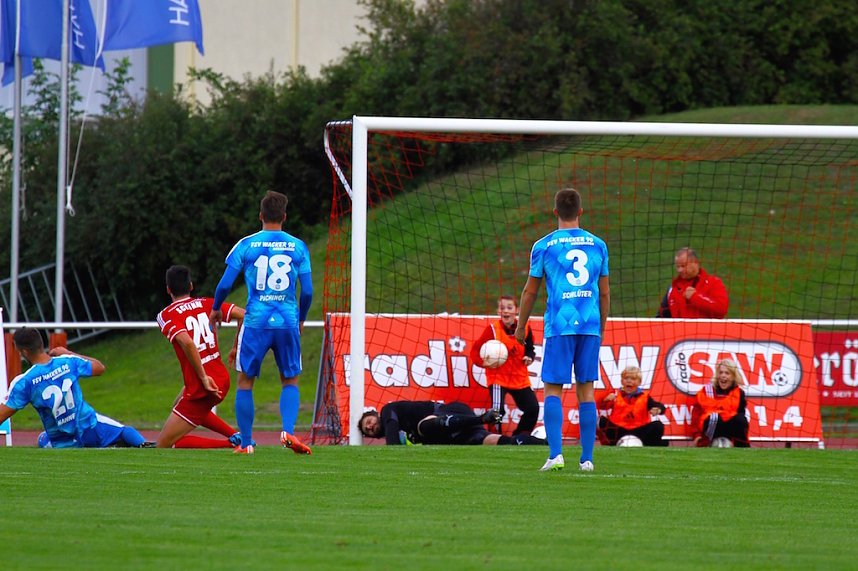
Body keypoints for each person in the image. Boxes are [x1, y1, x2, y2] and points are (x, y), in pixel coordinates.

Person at [209, 190, 313, 455]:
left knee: (245, 382)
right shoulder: (298, 246)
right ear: (284, 217)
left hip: (256, 321)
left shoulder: (245, 245)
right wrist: (301, 318)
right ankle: (288, 431)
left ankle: (245, 444)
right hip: (287, 320)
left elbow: (223, 285)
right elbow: (309, 291)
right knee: (290, 380)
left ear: (261, 215)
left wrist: (215, 309)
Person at [515, 187, 610, 472]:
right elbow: (604, 293)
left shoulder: (544, 246)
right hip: (590, 324)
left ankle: (556, 455)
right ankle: (587, 459)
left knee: (553, 389)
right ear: (581, 211)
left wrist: (521, 326)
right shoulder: (598, 245)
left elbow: (530, 292)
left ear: (555, 212)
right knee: (587, 390)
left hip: (559, 324)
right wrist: (600, 327)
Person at [0, 328, 152, 448]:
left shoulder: (24, 381)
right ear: (41, 344)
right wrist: (68, 352)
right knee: (126, 431)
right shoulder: (68, 361)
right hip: (89, 429)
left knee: (42, 438)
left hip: (62, 442)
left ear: (24, 352)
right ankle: (143, 446)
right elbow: (99, 368)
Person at [156, 265, 249, 449]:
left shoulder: (165, 315)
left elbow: (188, 343)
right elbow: (244, 315)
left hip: (203, 386)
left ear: (168, 289)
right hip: (221, 378)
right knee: (179, 405)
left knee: (163, 445)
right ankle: (234, 435)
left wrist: (204, 378)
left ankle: (232, 444)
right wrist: (235, 347)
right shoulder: (208, 304)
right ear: (191, 286)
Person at [470, 295, 539, 435]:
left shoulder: (525, 327)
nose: (506, 311)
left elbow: (530, 348)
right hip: (498, 377)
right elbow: (475, 351)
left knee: (533, 408)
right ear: (498, 312)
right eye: (502, 308)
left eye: (509, 308)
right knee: (497, 412)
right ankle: (494, 438)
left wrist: (529, 357)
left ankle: (520, 437)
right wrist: (483, 363)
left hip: (519, 377)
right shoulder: (492, 330)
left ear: (517, 310)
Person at [357, 401, 546, 446]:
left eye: (370, 421)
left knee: (423, 427)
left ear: (375, 414)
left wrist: (391, 456)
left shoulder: (388, 411)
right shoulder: (404, 435)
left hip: (454, 413)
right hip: (454, 434)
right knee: (497, 441)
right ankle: (543, 444)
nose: (370, 427)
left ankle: (482, 418)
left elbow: (390, 427)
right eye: (368, 430)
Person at [596, 366, 667, 446]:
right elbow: (601, 407)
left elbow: (660, 407)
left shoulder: (645, 397)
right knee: (600, 421)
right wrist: (606, 400)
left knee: (658, 425)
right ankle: (611, 443)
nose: (629, 381)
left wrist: (658, 410)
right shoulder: (615, 395)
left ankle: (649, 445)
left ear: (639, 382)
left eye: (633, 379)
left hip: (639, 431)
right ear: (622, 381)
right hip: (619, 431)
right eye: (626, 378)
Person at [691, 358, 750, 447]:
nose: (723, 376)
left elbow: (741, 416)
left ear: (733, 376)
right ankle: (706, 443)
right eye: (720, 372)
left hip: (729, 427)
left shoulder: (739, 393)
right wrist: (697, 435)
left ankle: (741, 448)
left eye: (727, 373)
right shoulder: (706, 391)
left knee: (741, 419)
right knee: (714, 417)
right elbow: (696, 414)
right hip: (711, 424)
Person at [656, 247, 728, 318]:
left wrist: (695, 297)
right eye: (678, 267)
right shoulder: (673, 289)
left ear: (695, 262)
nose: (680, 270)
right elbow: (661, 318)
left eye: (683, 266)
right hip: (680, 330)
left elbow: (721, 309)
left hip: (706, 329)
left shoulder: (714, 283)